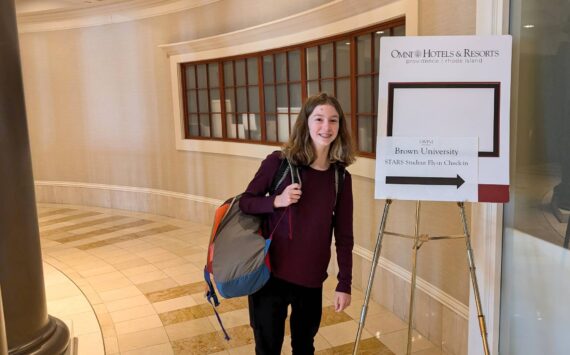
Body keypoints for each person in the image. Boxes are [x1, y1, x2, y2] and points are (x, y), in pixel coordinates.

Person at [239, 92, 356, 354]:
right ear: (305, 122)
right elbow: (246, 203)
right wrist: (276, 201)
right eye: (319, 119)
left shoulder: (341, 178)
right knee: (267, 347)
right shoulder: (278, 163)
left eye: (333, 120)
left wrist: (344, 283)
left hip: (311, 280)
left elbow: (344, 236)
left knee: (304, 347)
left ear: (340, 126)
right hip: (269, 276)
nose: (326, 127)